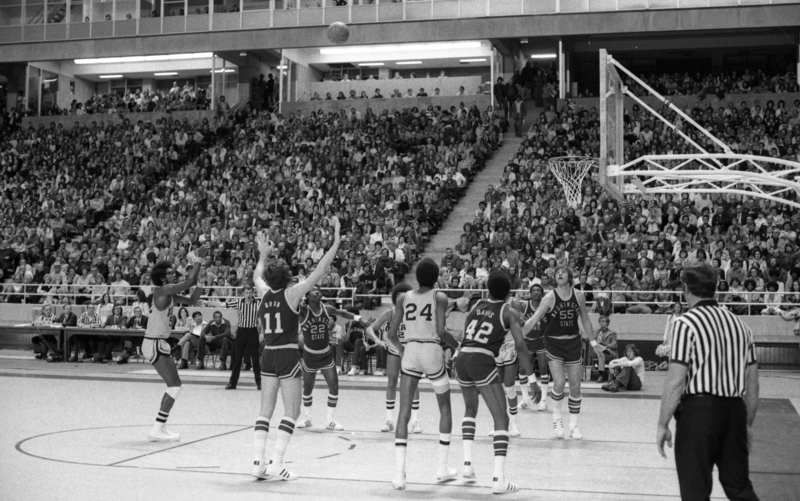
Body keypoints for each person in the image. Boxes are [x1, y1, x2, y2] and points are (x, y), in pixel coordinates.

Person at [656, 262, 760, 501]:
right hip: (734, 412)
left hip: (699, 414)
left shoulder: (685, 323)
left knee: (695, 491)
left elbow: (675, 381)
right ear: (715, 288)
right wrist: (748, 423)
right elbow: (753, 384)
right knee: (739, 487)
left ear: (686, 289)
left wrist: (663, 423)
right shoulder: (742, 326)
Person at [251, 218, 342, 482]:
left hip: (267, 354)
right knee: (292, 412)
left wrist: (262, 255)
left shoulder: (264, 292)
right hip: (288, 354)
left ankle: (257, 463)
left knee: (264, 412)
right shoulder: (291, 295)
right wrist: (335, 241)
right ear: (288, 277)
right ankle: (277, 464)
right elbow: (320, 270)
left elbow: (256, 274)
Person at [456, 270, 538, 494]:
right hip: (481, 359)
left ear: (488, 288)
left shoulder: (476, 305)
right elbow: (521, 346)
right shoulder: (509, 312)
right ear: (509, 292)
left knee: (470, 408)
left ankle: (467, 465)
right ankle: (499, 480)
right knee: (501, 418)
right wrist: (532, 380)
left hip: (461, 357)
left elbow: (465, 332)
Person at [387, 257, 459, 490]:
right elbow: (440, 330)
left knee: (404, 411)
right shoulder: (439, 296)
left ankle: (399, 475)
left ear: (416, 277)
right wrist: (457, 346)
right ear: (436, 277)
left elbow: (391, 335)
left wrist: (403, 349)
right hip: (431, 350)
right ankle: (442, 469)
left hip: (411, 351)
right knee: (445, 407)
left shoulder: (402, 298)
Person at [523, 265, 595, 440]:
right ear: (555, 278)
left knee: (576, 386)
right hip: (553, 342)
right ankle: (556, 418)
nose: (560, 274)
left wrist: (593, 342)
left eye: (563, 271)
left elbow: (585, 319)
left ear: (569, 276)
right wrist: (515, 339)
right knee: (560, 383)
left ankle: (574, 425)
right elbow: (533, 319)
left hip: (573, 342)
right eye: (557, 273)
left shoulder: (579, 295)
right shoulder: (548, 298)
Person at [143, 256, 203, 442]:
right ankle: (156, 429)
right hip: (154, 342)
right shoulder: (163, 290)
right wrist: (199, 260)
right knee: (175, 385)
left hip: (157, 342)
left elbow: (192, 300)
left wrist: (200, 284)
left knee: (175, 386)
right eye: (169, 273)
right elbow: (189, 281)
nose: (173, 274)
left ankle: (159, 427)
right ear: (162, 278)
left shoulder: (169, 294)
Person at [296, 285, 367, 431]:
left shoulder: (326, 309)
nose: (318, 291)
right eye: (314, 290)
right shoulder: (303, 311)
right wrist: (300, 293)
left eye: (319, 289)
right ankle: (308, 418)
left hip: (326, 354)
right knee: (308, 387)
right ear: (308, 295)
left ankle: (330, 420)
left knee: (334, 386)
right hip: (309, 355)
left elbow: (341, 312)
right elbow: (292, 303)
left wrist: (358, 317)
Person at [366, 282, 424, 434]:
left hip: (411, 350)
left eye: (403, 296)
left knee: (413, 384)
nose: (400, 299)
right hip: (395, 350)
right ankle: (389, 420)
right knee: (391, 382)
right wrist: (377, 340)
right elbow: (370, 329)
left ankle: (415, 421)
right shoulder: (390, 313)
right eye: (397, 297)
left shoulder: (415, 311)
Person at [205, 285, 262, 390]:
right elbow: (223, 304)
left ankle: (259, 383)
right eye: (246, 293)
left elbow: (262, 318)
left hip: (253, 331)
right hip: (241, 332)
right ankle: (232, 383)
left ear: (253, 293)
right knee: (237, 358)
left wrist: (261, 332)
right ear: (243, 293)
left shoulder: (258, 304)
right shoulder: (238, 302)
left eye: (250, 293)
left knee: (255, 359)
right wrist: (210, 303)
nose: (248, 295)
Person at [514, 284, 546, 411]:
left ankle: (543, 400)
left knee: (543, 369)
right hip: (527, 341)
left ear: (542, 293)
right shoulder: (524, 305)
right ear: (530, 293)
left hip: (541, 340)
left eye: (538, 290)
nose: (536, 292)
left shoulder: (546, 306)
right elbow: (513, 303)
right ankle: (525, 399)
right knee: (522, 370)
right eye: (534, 290)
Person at [591, 315, 618, 383]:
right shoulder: (595, 332)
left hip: (604, 351)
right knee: (595, 344)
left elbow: (614, 345)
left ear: (607, 323)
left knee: (601, 352)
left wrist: (606, 345)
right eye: (599, 321)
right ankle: (606, 350)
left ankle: (601, 376)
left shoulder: (612, 333)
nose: (601, 323)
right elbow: (591, 341)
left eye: (603, 321)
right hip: (596, 350)